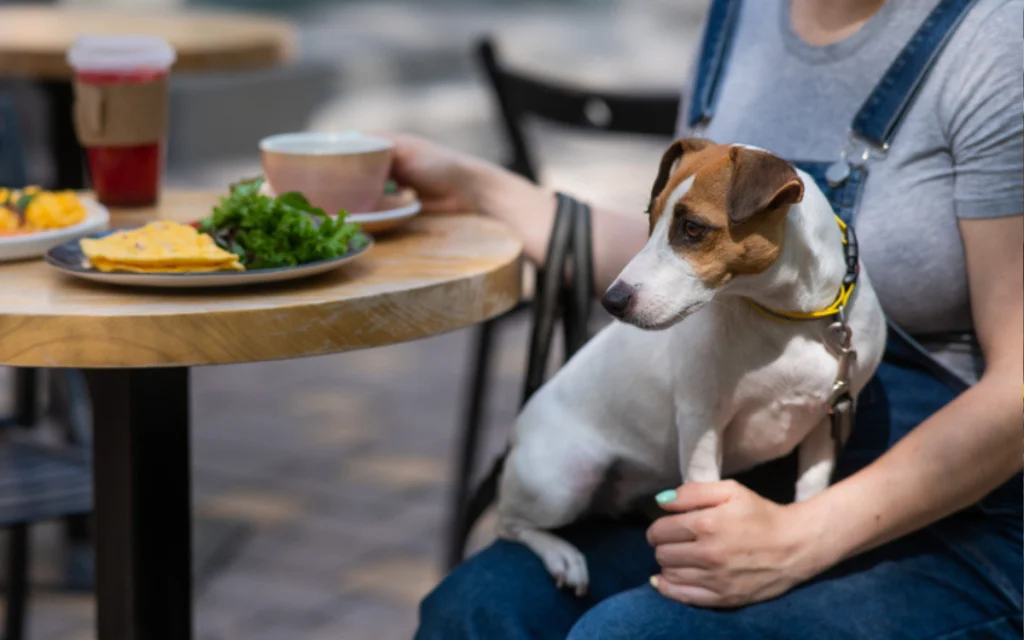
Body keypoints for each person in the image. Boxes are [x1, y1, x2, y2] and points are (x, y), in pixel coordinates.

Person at [391, 0, 1024, 637]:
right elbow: (691, 252)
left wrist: (800, 538)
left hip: (958, 498)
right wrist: (478, 188)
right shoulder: (738, 17)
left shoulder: (996, 37)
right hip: (741, 473)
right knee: (471, 611)